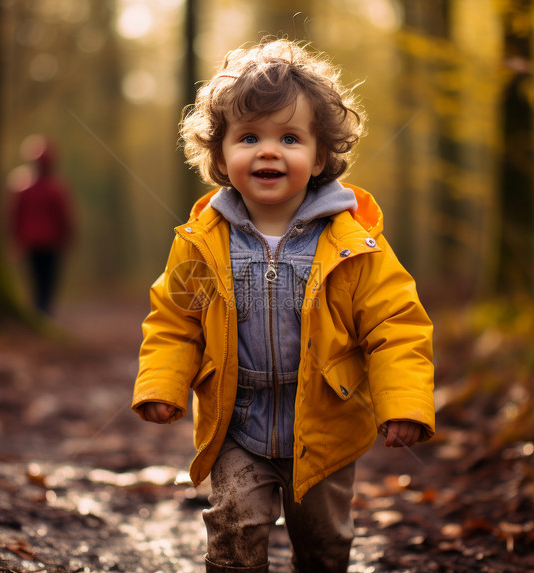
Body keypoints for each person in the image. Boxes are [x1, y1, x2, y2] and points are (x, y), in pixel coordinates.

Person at [132, 39, 434, 573]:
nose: (268, 151)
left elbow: (396, 324)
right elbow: (174, 320)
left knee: (323, 544)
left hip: (325, 422)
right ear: (221, 156)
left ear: (320, 156)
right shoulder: (203, 240)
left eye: (289, 138)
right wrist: (162, 383)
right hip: (237, 423)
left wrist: (403, 401)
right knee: (234, 527)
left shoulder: (353, 240)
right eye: (249, 137)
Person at [8, 136, 74, 315]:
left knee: (37, 278)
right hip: (50, 242)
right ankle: (43, 310)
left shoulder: (22, 186)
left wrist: (15, 238)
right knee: (47, 279)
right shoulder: (55, 188)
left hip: (32, 241)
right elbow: (65, 218)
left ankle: (39, 309)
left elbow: (14, 216)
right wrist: (68, 238)